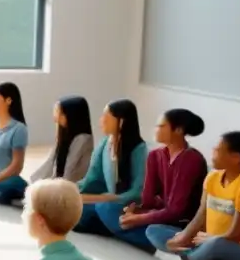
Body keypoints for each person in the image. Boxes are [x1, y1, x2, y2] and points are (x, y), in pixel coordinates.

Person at [147, 130, 240, 260]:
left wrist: (208, 240)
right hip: (209, 243)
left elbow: (236, 235)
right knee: (154, 230)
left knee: (216, 244)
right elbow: (201, 215)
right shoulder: (213, 177)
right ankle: (196, 257)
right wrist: (182, 238)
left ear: (236, 157)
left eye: (218, 150)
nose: (212, 153)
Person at [96, 109, 208, 252]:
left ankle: (151, 240)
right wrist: (135, 210)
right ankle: (144, 239)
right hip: (158, 214)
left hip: (179, 225)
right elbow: (147, 199)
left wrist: (138, 219)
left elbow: (176, 211)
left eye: (161, 126)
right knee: (104, 207)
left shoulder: (191, 159)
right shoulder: (155, 155)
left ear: (178, 130)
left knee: (153, 231)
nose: (156, 130)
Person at [73, 99, 148, 235]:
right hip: (104, 201)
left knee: (103, 209)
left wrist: (107, 198)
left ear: (121, 122)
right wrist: (71, 189)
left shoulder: (139, 149)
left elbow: (138, 191)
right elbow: (92, 178)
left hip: (124, 205)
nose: (102, 120)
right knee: (72, 206)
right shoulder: (104, 144)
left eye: (106, 117)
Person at [29, 96, 95, 184]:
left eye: (59, 113)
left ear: (72, 115)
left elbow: (70, 168)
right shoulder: (64, 134)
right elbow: (50, 163)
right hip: (59, 182)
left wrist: (56, 187)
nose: (55, 117)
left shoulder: (83, 139)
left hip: (70, 186)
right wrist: (33, 181)